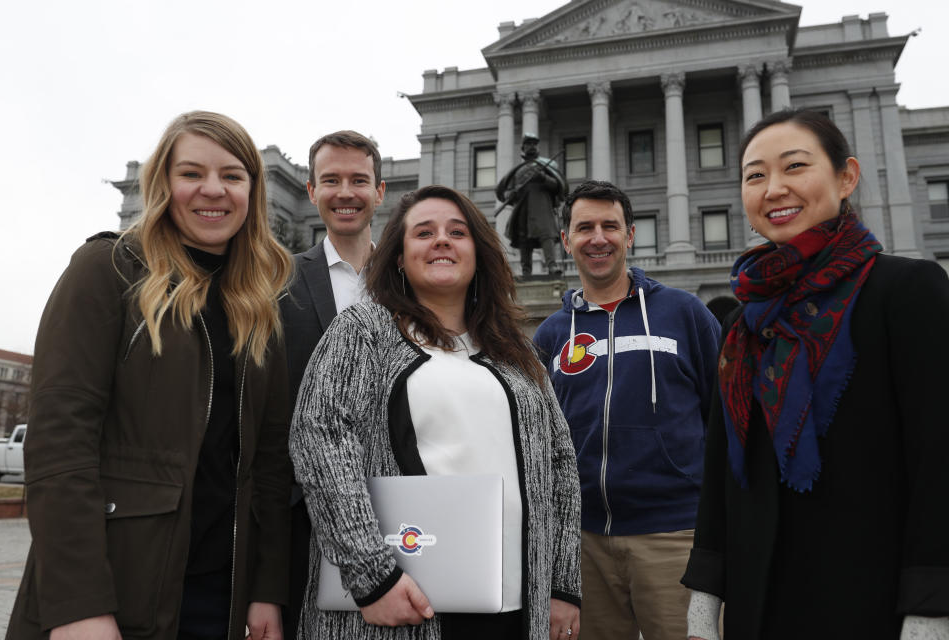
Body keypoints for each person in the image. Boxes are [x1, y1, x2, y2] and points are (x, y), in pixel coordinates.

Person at [6, 111, 293, 640]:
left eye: (232, 175)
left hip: (222, 598)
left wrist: (267, 588)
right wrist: (77, 604)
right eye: (191, 174)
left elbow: (271, 464)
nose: (213, 189)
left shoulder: (258, 306)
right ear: (164, 183)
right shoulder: (107, 269)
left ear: (252, 191)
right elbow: (60, 442)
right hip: (117, 586)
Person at [682, 109, 949, 640]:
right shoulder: (743, 319)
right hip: (761, 603)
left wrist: (931, 605)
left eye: (795, 167)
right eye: (755, 176)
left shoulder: (906, 291)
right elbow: (722, 464)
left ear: (846, 177)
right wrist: (705, 596)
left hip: (871, 599)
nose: (774, 189)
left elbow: (939, 455)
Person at [288, 184, 582, 639]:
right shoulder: (365, 330)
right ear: (400, 258)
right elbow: (320, 437)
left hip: (515, 606)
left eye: (457, 232)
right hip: (401, 605)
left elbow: (560, 463)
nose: (442, 240)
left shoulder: (517, 351)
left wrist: (563, 584)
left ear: (479, 254)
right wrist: (373, 576)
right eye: (424, 233)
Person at [533, 180, 721, 640]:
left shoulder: (685, 312)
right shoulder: (552, 334)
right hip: (583, 544)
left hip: (675, 537)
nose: (598, 238)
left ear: (630, 235)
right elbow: (537, 439)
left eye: (609, 226)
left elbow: (726, 420)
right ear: (566, 240)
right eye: (584, 228)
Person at [280, 129, 385, 638]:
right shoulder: (279, 283)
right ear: (311, 191)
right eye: (332, 180)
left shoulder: (415, 280)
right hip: (308, 512)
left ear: (379, 192)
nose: (346, 192)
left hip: (405, 504)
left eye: (359, 180)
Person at [496, 134, 568, 278]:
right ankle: (526, 271)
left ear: (538, 147)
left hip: (542, 207)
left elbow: (558, 187)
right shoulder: (518, 171)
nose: (531, 146)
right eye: (528, 144)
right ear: (523, 148)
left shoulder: (546, 166)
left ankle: (552, 266)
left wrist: (543, 178)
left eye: (534, 144)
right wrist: (510, 195)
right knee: (524, 240)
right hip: (523, 208)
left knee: (546, 235)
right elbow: (506, 192)